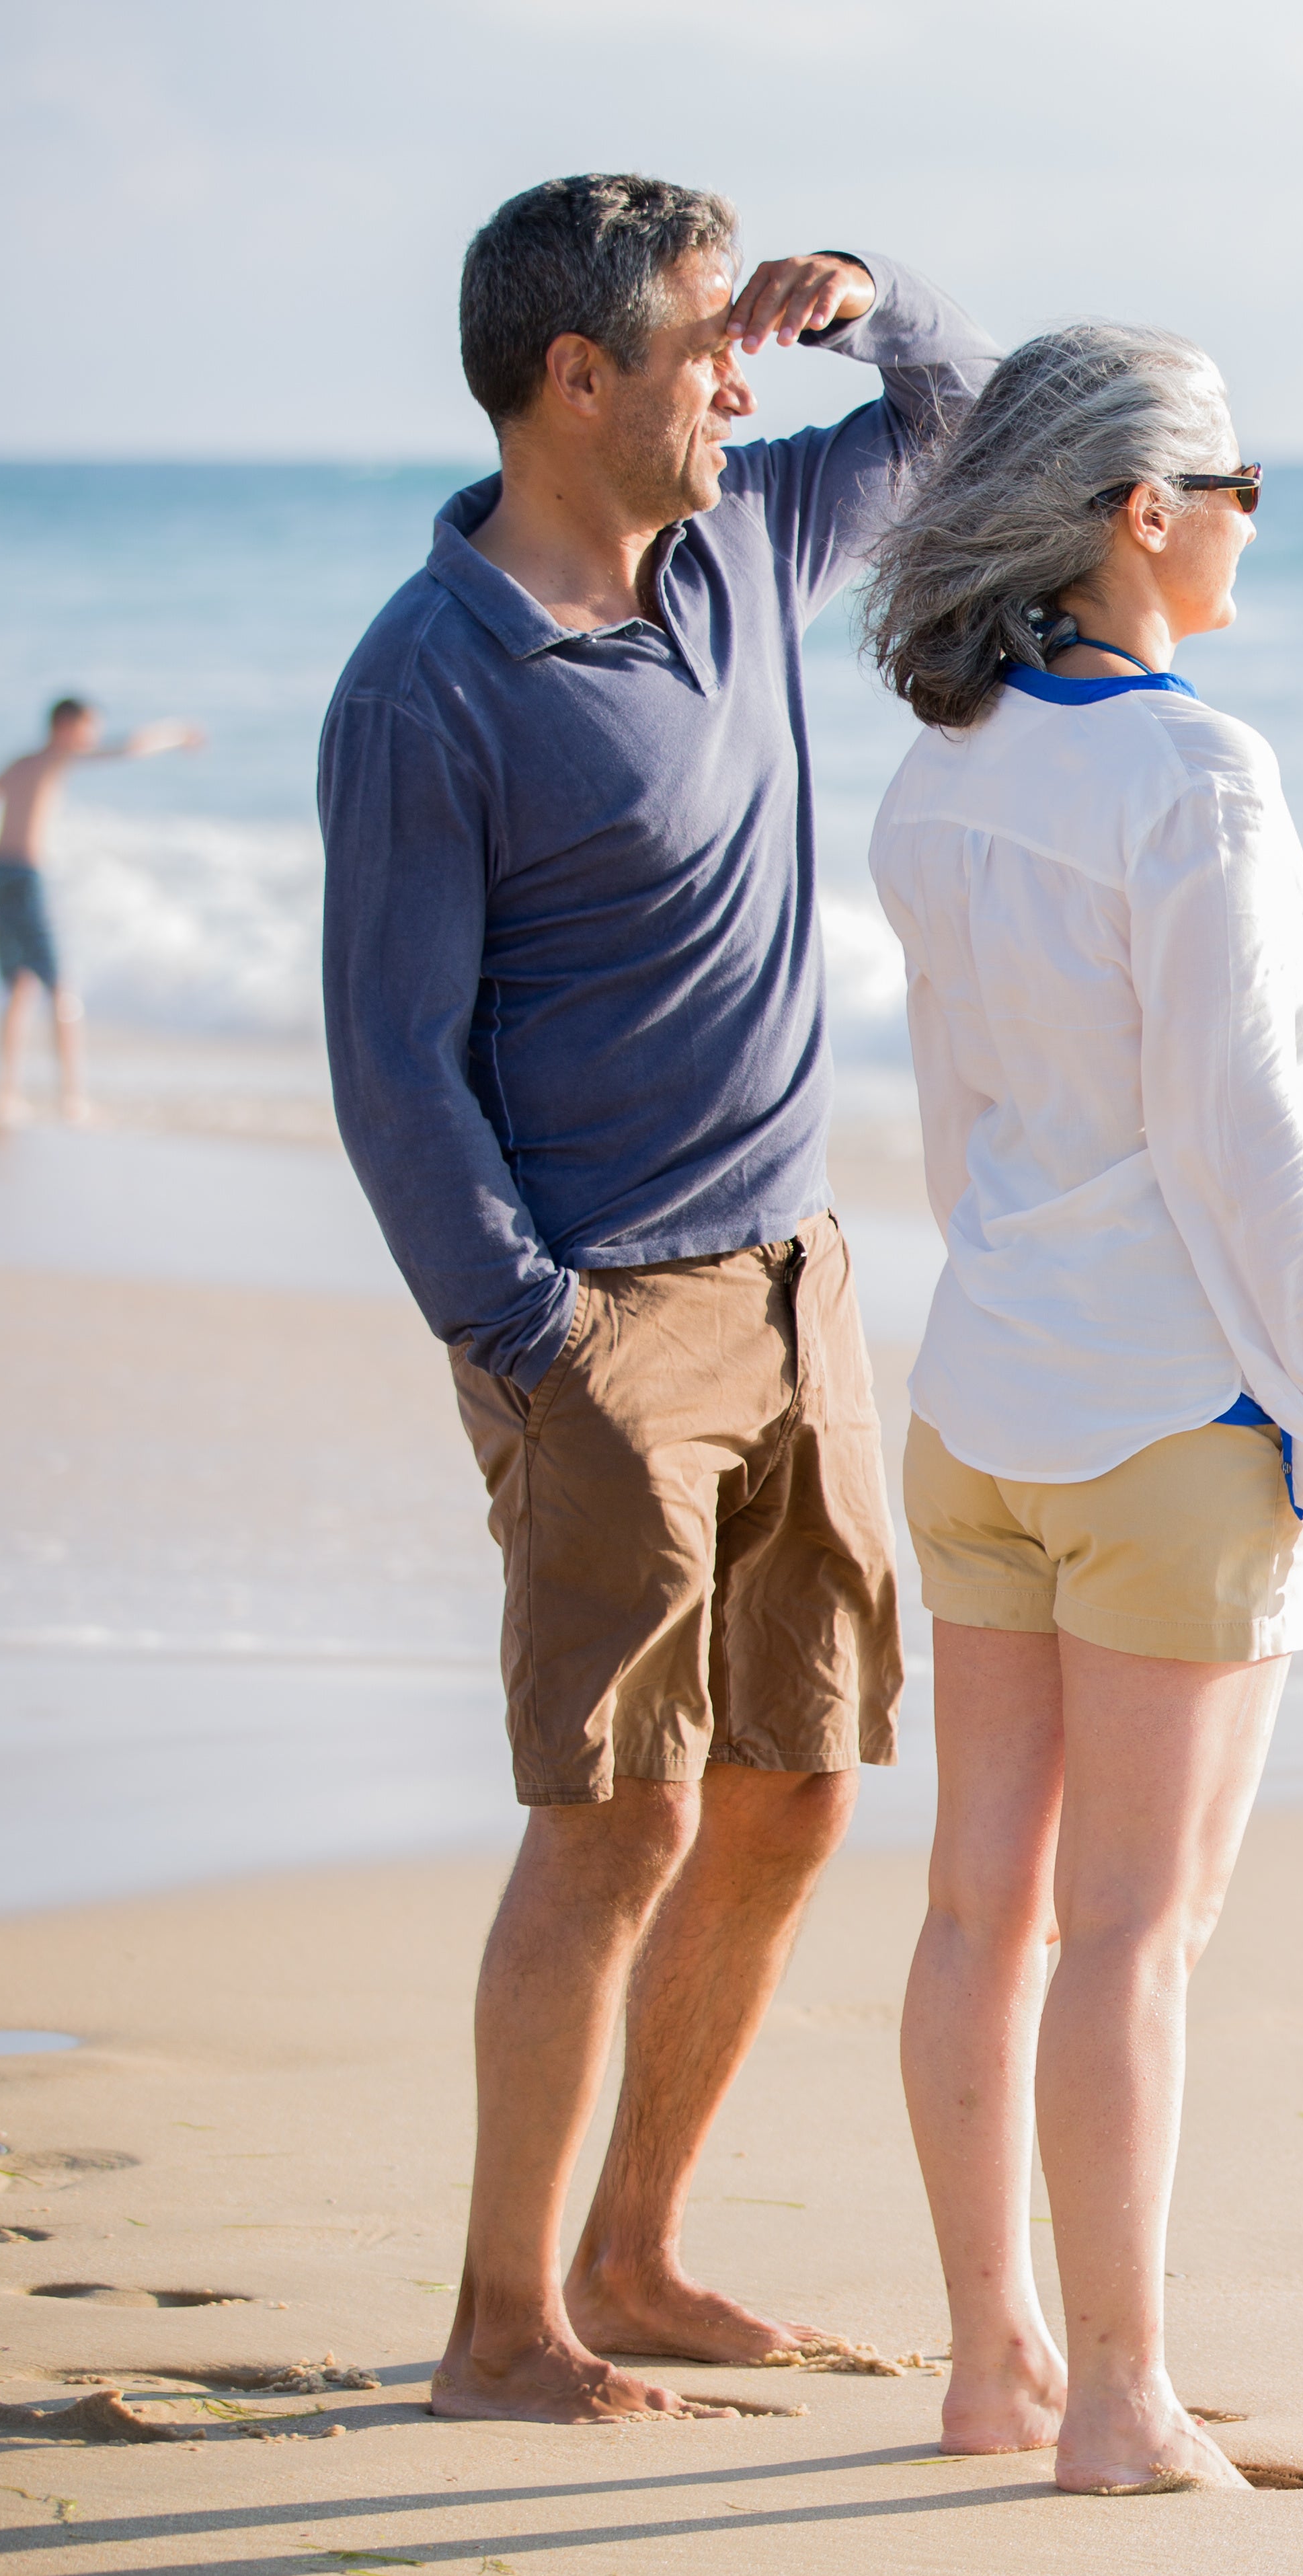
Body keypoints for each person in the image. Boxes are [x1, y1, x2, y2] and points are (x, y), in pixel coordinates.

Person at [315, 174, 998, 2427]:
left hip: (800, 1280)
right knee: (615, 1816)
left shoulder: (736, 555)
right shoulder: (429, 683)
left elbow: (960, 422)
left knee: (795, 1788)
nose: (736, 373)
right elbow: (393, 1064)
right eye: (700, 341)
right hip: (600, 1316)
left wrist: (866, 294)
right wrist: (530, 1339)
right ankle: (503, 2327)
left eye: (742, 338)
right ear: (569, 377)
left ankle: (640, 2250)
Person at [860, 325, 1303, 2497]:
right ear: (1143, 512)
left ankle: (993, 2363)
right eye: (1236, 481)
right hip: (1167, 1423)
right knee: (1134, 1933)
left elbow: (955, 1113)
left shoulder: (949, 765)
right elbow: (1237, 1136)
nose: (1251, 518)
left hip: (986, 1390)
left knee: (975, 1913)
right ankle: (1115, 2398)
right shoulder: (1195, 774)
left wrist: (1018, 1287)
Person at [0, 695, 204, 1130]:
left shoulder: (20, 762)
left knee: (20, 984)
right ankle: (73, 1098)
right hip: (25, 877)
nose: (92, 737)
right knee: (61, 986)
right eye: (88, 727)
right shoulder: (56, 757)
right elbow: (130, 747)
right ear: (66, 728)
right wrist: (179, 733)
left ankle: (5, 1094)